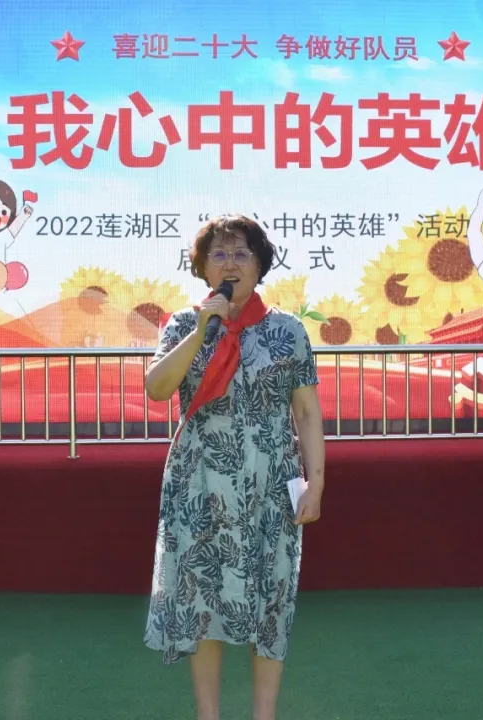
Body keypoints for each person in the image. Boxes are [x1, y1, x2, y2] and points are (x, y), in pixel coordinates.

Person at [142, 214, 326, 720]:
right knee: (202, 600)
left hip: (270, 484)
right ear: (203, 268)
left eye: (241, 254)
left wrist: (316, 483)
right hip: (200, 482)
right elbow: (157, 388)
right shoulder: (184, 324)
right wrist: (204, 328)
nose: (230, 263)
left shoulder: (287, 330)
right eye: (219, 255)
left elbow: (306, 412)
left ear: (259, 265)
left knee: (271, 599)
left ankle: (264, 714)